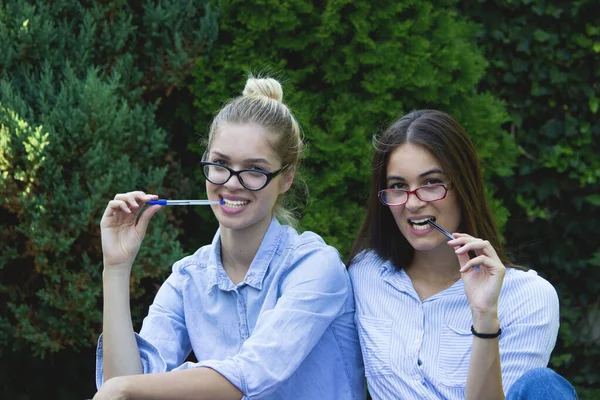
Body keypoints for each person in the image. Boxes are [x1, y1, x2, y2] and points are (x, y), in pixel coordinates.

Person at [93, 76, 365, 400]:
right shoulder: (187, 279)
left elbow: (252, 374)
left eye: (254, 170)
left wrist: (125, 388)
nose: (232, 184)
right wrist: (116, 267)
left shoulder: (315, 268)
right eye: (220, 164)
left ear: (286, 177)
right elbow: (125, 384)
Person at [348, 110, 578, 399]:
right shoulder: (364, 274)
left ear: (464, 185)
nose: (413, 203)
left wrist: (484, 317)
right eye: (398, 187)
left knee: (544, 386)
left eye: (431, 182)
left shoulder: (528, 297)